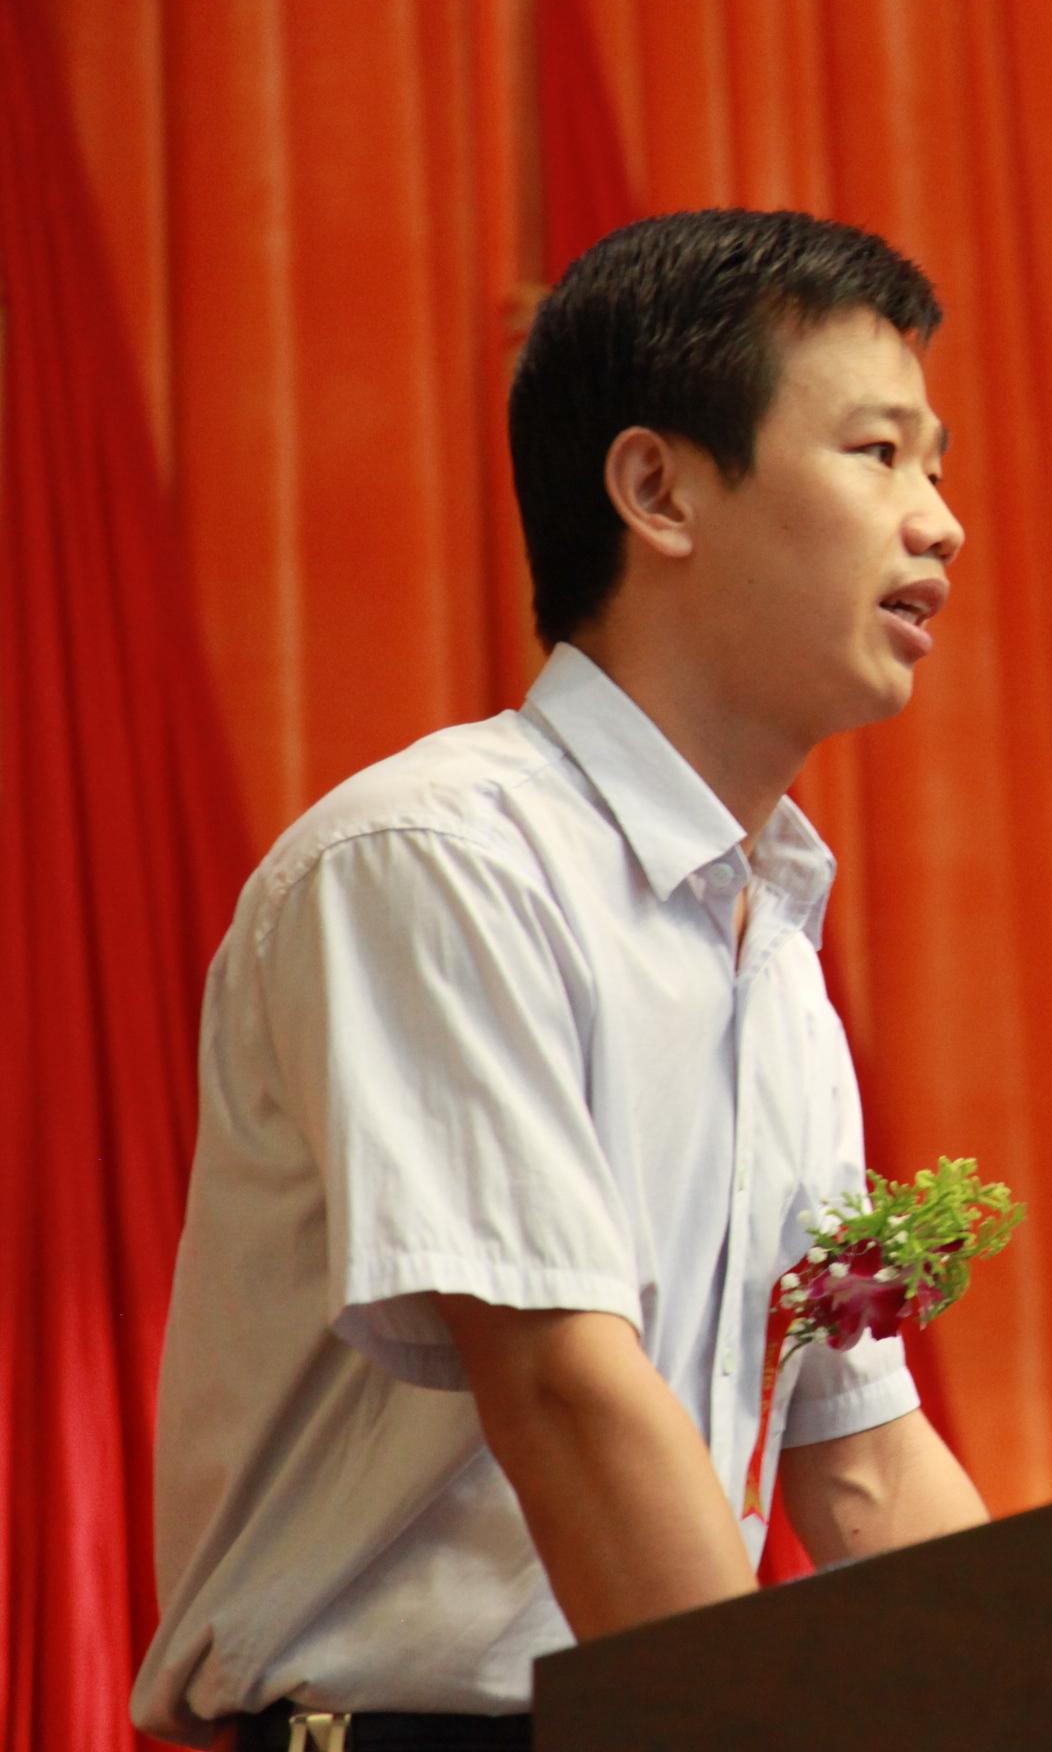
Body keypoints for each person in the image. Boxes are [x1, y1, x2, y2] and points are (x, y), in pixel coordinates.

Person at [131, 208, 987, 1752]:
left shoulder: (772, 956)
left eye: (936, 465)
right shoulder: (440, 862)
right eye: (879, 454)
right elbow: (565, 1393)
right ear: (657, 491)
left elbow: (862, 1464)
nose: (941, 525)